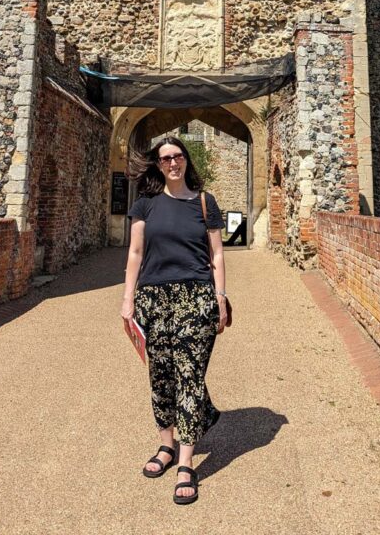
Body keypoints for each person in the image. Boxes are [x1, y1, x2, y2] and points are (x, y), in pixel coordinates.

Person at [121, 135, 228, 506]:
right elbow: (135, 252)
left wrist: (221, 297)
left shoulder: (204, 201)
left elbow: (216, 254)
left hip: (196, 298)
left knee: (190, 374)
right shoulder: (145, 205)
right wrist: (127, 299)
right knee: (161, 374)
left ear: (186, 161)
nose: (172, 163)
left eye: (178, 156)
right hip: (153, 299)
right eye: (165, 158)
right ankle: (165, 445)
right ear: (158, 164)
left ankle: (185, 461)